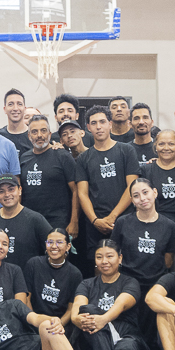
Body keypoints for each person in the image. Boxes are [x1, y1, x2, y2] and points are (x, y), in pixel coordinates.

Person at [70, 241, 146, 350]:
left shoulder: (130, 282)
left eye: (109, 256)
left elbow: (120, 305)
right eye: (99, 257)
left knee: (127, 344)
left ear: (120, 258)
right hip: (94, 339)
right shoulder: (87, 284)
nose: (104, 261)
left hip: (124, 332)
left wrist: (103, 319)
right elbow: (76, 309)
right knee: (88, 310)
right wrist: (77, 320)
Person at [74, 106, 140, 258]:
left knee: (125, 262)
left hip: (124, 219)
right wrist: (95, 220)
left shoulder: (127, 150)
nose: (99, 126)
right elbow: (82, 193)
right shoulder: (84, 157)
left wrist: (113, 217)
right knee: (99, 265)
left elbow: (132, 186)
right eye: (94, 123)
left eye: (102, 122)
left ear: (110, 124)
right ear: (88, 128)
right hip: (95, 223)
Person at [110, 178, 175, 298]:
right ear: (132, 201)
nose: (142, 198)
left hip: (156, 286)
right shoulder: (122, 222)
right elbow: (113, 253)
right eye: (136, 196)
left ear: (155, 192)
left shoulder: (170, 226)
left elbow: (168, 261)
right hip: (127, 285)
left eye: (145, 192)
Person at [18, 114, 82, 237]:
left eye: (43, 131)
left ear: (49, 134)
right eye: (34, 132)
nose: (39, 135)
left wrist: (74, 221)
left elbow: (76, 190)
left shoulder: (62, 156)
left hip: (58, 222)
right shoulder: (24, 158)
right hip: (30, 222)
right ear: (29, 135)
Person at [0, 174, 53, 268]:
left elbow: (53, 247)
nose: (7, 194)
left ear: (20, 190)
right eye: (1, 191)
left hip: (26, 279)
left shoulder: (36, 219)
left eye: (11, 189)